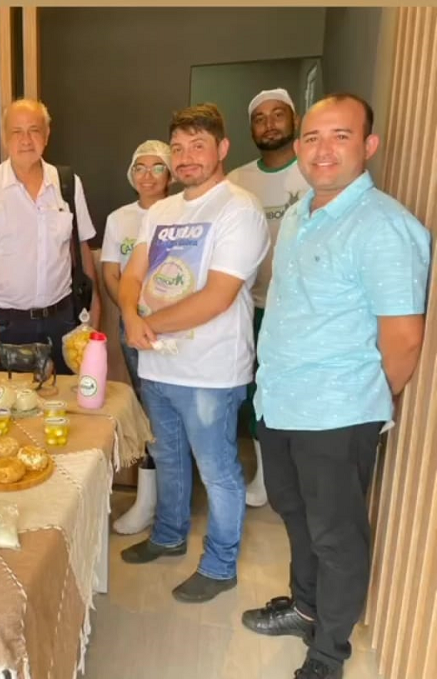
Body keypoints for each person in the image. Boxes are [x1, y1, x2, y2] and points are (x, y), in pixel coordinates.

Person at [242, 93, 430, 679]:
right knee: (293, 511)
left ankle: (329, 654)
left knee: (336, 536)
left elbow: (404, 340)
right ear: (299, 147)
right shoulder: (301, 213)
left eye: (340, 136)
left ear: (368, 146)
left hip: (336, 414)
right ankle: (305, 607)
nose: (323, 150)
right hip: (281, 401)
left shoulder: (385, 227)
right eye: (313, 137)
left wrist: (365, 403)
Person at [118, 103, 269, 603]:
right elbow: (132, 274)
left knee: (217, 468)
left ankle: (221, 564)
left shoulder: (238, 208)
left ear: (222, 149)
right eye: (178, 148)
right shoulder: (162, 211)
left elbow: (218, 296)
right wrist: (132, 318)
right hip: (158, 359)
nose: (186, 158)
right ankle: (168, 535)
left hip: (210, 369)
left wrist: (145, 323)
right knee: (167, 455)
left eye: (198, 146)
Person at [0, 98, 101, 374]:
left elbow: (82, 253)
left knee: (63, 408)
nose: (26, 140)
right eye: (16, 131)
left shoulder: (68, 183)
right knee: (8, 410)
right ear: (4, 138)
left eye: (34, 130)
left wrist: (92, 319)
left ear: (46, 136)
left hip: (62, 321)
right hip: (4, 325)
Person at [227, 88, 311, 508]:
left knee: (298, 391)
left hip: (305, 309)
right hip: (254, 306)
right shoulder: (238, 180)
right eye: (260, 118)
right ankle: (264, 476)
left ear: (294, 120)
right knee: (256, 393)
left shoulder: (314, 170)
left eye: (279, 115)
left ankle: (297, 479)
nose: (270, 123)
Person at [101, 140, 172, 536]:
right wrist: (131, 316)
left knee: (173, 412)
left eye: (157, 167)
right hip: (134, 329)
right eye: (139, 167)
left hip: (178, 329)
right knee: (147, 411)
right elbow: (111, 272)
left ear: (171, 174)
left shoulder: (184, 213)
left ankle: (173, 500)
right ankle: (147, 501)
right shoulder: (119, 219)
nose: (147, 175)